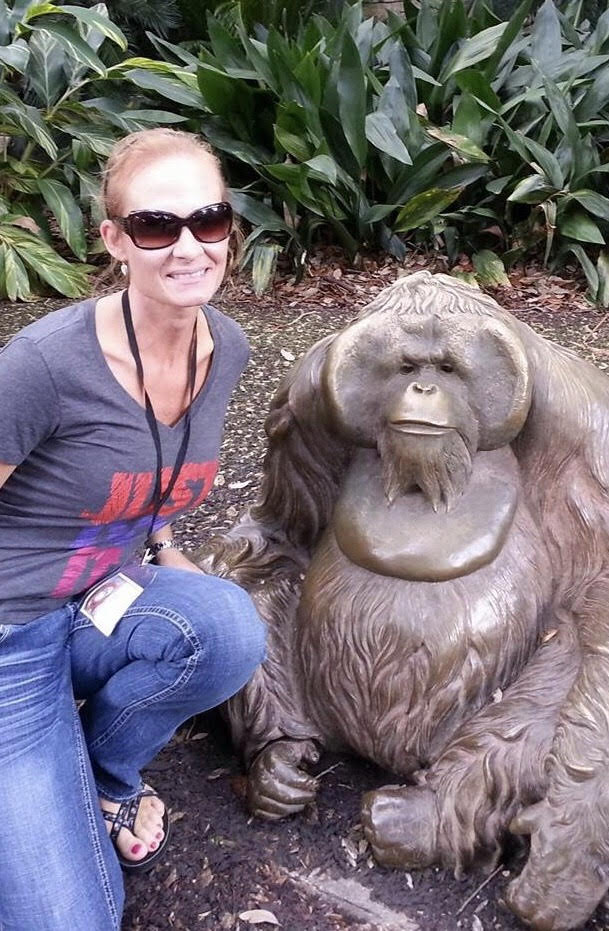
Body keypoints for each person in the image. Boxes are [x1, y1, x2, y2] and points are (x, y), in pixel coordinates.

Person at [0, 128, 266, 931]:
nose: (188, 246)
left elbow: (152, 474)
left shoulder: (226, 350)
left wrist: (164, 551)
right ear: (116, 240)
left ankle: (105, 776)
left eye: (208, 220)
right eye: (157, 226)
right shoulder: (44, 364)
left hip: (94, 604)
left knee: (222, 623)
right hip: (8, 637)